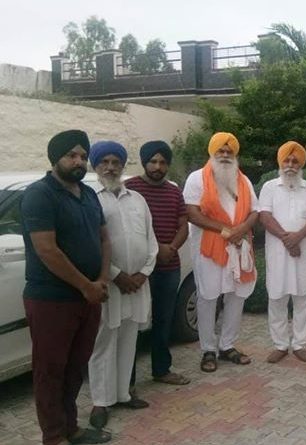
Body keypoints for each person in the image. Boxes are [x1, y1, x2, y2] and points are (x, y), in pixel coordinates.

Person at [21, 130, 112, 444]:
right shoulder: (40, 194)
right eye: (71, 155)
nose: (79, 161)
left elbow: (104, 239)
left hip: (89, 297)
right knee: (50, 370)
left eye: (83, 156)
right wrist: (86, 285)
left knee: (75, 367)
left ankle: (70, 427)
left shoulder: (88, 194)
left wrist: (101, 280)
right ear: (55, 158)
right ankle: (53, 436)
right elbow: (47, 250)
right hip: (52, 299)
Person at [87, 141, 157, 429]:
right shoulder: (90, 198)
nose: (110, 167)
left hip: (137, 283)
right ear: (95, 166)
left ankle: (122, 394)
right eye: (104, 162)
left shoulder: (137, 199)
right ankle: (100, 401)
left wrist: (143, 273)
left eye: (116, 162)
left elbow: (151, 240)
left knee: (129, 339)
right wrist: (117, 275)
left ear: (123, 165)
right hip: (110, 283)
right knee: (104, 341)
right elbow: (91, 244)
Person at [183, 132, 258, 373]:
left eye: (229, 152)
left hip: (239, 246)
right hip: (208, 248)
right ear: (212, 153)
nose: (225, 155)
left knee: (236, 295)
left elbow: (255, 211)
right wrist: (227, 231)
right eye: (220, 151)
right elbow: (192, 213)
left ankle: (227, 345)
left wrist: (241, 230)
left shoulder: (243, 180)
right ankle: (208, 349)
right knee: (208, 296)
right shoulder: (197, 178)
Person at [125, 140, 190, 386]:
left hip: (168, 266)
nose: (158, 166)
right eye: (153, 161)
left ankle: (161, 369)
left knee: (164, 319)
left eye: (163, 162)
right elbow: (125, 227)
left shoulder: (174, 191)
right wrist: (155, 250)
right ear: (144, 162)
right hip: (139, 268)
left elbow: (183, 225)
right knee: (133, 321)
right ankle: (127, 380)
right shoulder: (130, 188)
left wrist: (171, 248)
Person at [259, 141, 306, 363]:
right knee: (277, 297)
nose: (290, 165)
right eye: (286, 160)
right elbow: (264, 216)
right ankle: (280, 345)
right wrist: (288, 240)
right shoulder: (269, 187)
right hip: (278, 254)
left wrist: (298, 236)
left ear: (301, 164)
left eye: (295, 161)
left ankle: (299, 344)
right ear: (280, 162)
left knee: (303, 297)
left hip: (304, 253)